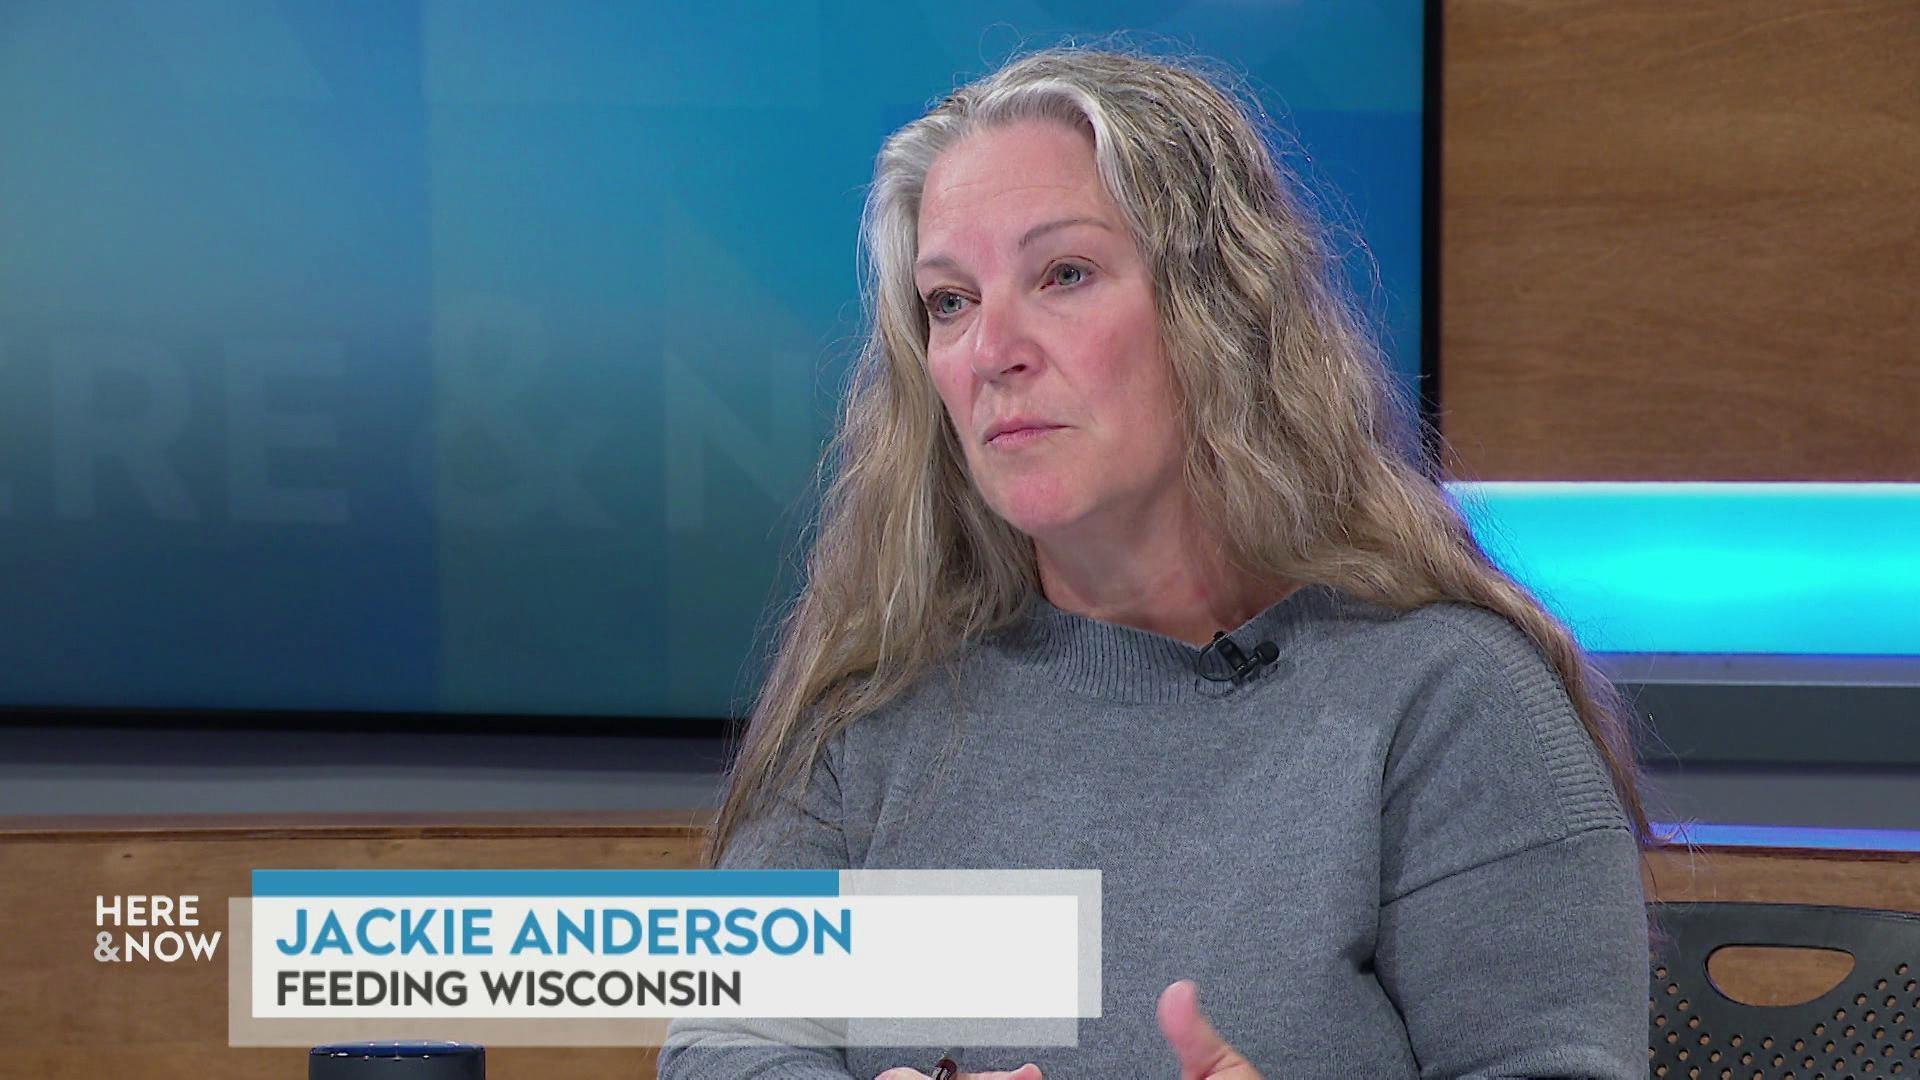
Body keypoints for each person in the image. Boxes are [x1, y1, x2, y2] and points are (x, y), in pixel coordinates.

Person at [658, 44, 1655, 1080]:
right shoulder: (879, 707)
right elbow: (726, 1044)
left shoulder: (1450, 704)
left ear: (1218, 311)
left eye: (1064, 275)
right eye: (949, 301)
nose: (992, 350)